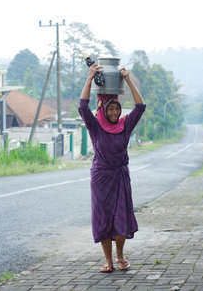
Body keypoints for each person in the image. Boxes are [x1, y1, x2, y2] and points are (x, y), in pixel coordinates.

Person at [78, 64, 146, 273]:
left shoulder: (125, 125)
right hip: (101, 178)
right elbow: (82, 107)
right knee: (104, 217)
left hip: (120, 176)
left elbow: (140, 106)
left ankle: (120, 256)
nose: (115, 112)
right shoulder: (96, 126)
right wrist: (89, 79)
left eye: (117, 108)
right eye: (111, 108)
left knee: (121, 217)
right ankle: (108, 261)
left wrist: (127, 80)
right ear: (103, 109)